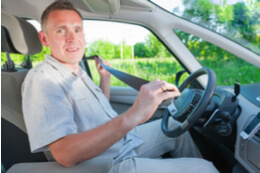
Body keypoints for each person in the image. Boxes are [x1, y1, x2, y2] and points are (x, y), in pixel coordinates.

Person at [22, 0, 219, 172]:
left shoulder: (76, 72)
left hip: (123, 143)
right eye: (60, 30)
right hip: (108, 163)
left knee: (176, 127)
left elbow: (98, 114)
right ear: (45, 38)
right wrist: (134, 115)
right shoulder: (42, 80)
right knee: (206, 169)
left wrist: (105, 79)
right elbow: (64, 154)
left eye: (77, 29)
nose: (72, 38)